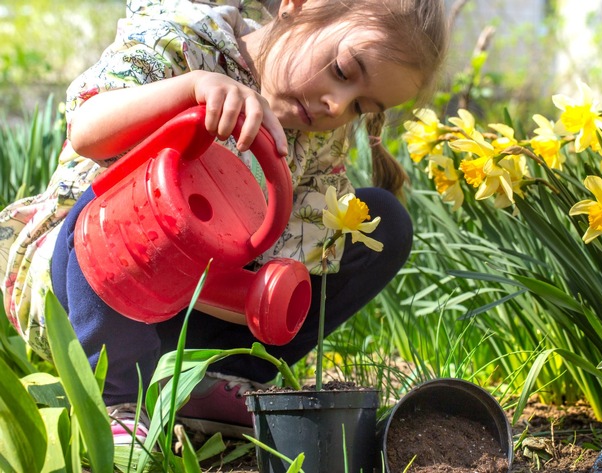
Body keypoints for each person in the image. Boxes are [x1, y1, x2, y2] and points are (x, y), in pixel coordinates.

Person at [0, 0, 448, 444]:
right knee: (129, 217)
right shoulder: (184, 40)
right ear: (297, 6)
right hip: (82, 271)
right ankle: (121, 401)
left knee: (382, 224)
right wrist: (191, 88)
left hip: (193, 291)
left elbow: (283, 264)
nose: (336, 105)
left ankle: (213, 379)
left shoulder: (317, 138)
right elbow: (86, 128)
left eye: (360, 107)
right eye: (344, 71)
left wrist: (267, 295)